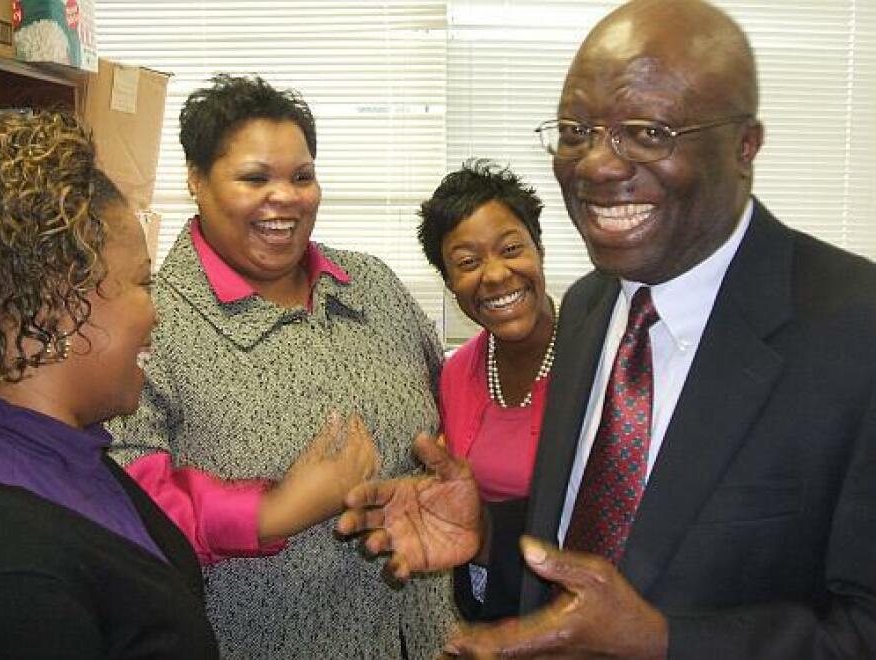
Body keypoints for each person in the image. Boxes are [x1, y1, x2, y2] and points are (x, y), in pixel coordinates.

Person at [339, 0, 876, 657]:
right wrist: (490, 534)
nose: (595, 165)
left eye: (648, 132)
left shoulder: (856, 331)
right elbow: (598, 543)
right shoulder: (593, 307)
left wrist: (665, 643)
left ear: (744, 146)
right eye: (575, 129)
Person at [106, 74, 454, 659]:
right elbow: (126, 504)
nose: (286, 198)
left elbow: (446, 411)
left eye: (301, 176)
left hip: (420, 637)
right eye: (254, 178)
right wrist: (273, 512)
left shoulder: (374, 286)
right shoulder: (153, 320)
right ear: (195, 180)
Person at [0, 110, 219, 658]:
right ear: (61, 302)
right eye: (144, 282)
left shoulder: (72, 454)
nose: (156, 314)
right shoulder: (21, 575)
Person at [417, 159, 555, 620]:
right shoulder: (457, 374)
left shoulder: (602, 359)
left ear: (538, 249)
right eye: (468, 263)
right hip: (490, 605)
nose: (495, 275)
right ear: (451, 283)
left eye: (511, 248)